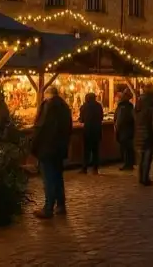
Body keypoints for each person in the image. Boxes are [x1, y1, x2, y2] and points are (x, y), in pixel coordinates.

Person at [31, 86, 73, 219]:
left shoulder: (47, 107)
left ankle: (48, 207)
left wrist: (33, 145)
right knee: (58, 176)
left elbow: (41, 127)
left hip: (47, 147)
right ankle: (61, 205)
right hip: (59, 148)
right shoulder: (65, 107)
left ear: (47, 94)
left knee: (48, 178)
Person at [135, 85, 153, 186]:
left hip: (139, 131)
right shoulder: (152, 102)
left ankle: (141, 177)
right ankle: (145, 178)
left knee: (141, 156)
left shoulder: (139, 100)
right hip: (148, 131)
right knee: (147, 156)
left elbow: (135, 114)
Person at [78, 92, 104, 174]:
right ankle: (95, 169)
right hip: (97, 130)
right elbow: (101, 117)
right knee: (95, 150)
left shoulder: (84, 106)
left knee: (86, 151)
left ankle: (84, 168)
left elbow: (81, 119)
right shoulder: (99, 106)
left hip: (88, 130)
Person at [114, 90, 136, 170]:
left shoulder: (122, 106)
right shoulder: (130, 106)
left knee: (126, 147)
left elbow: (119, 118)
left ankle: (127, 164)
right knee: (128, 147)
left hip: (124, 130)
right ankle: (129, 164)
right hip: (129, 130)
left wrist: (117, 127)